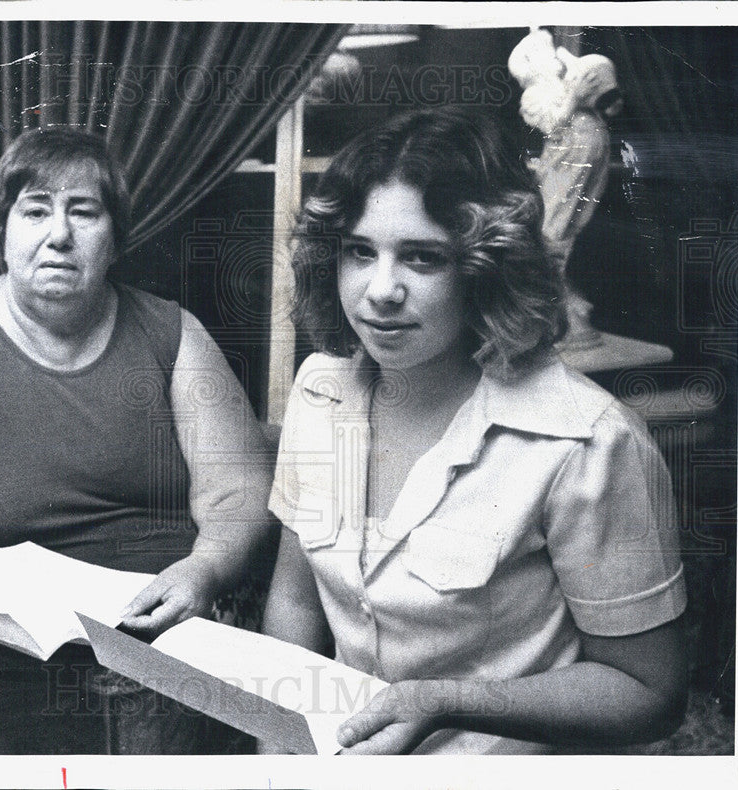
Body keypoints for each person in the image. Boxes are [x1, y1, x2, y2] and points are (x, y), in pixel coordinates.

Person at [263, 106, 687, 755]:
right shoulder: (319, 391)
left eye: (423, 258)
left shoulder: (591, 441)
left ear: (484, 266)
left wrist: (445, 702)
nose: (380, 290)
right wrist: (282, 754)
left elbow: (648, 694)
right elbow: (295, 605)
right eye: (359, 252)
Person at [0, 127, 274, 638]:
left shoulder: (174, 333)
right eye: (35, 211)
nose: (59, 235)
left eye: (84, 211)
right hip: (14, 626)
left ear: (115, 238)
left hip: (165, 615)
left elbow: (238, 493)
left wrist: (204, 569)